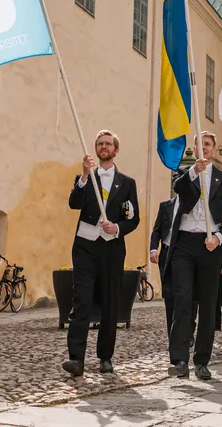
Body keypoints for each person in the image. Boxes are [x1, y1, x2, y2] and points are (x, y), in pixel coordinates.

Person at [64, 131, 140, 376]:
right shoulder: (85, 178)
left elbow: (134, 217)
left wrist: (117, 227)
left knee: (110, 302)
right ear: (95, 150)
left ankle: (105, 356)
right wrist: (85, 175)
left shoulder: (127, 183)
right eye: (100, 144)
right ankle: (76, 358)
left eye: (108, 144)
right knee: (81, 301)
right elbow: (74, 203)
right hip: (85, 246)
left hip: (112, 248)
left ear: (116, 150)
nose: (104, 147)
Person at [167, 132, 222, 380]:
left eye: (207, 144)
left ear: (214, 149)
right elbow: (178, 188)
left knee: (208, 304)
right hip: (185, 244)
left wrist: (219, 238)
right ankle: (179, 360)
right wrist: (193, 173)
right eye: (200, 145)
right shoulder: (184, 174)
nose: (204, 148)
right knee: (183, 299)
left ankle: (202, 360)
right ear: (195, 150)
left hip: (210, 245)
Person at [149, 194, 178, 339]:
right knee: (169, 294)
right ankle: (172, 333)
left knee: (188, 296)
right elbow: (157, 229)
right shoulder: (165, 205)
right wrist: (153, 249)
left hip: (185, 252)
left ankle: (187, 331)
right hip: (166, 253)